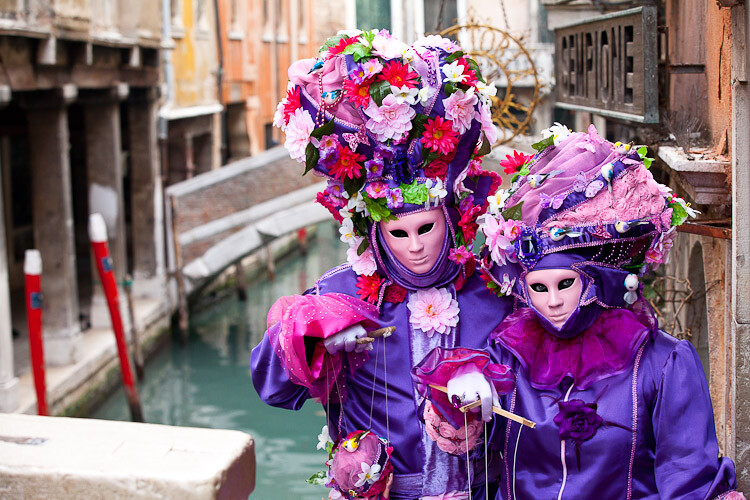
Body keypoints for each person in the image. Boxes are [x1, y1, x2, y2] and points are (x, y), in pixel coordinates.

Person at [414, 124, 745, 499]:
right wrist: (461, 394)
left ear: (598, 280)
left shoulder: (663, 363)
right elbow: (470, 436)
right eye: (538, 289)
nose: (551, 302)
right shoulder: (510, 357)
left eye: (564, 285)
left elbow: (688, 480)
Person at [250, 30, 515, 499]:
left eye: (426, 229)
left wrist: (496, 390)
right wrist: (315, 341)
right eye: (398, 232)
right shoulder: (342, 295)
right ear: (376, 233)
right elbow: (271, 386)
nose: (414, 247)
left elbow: (545, 391)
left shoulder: (492, 293)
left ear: (450, 223)